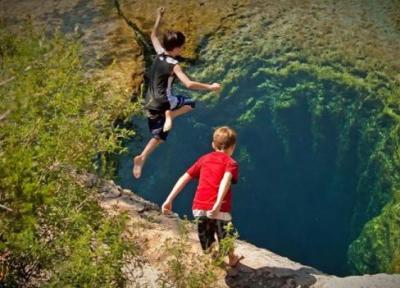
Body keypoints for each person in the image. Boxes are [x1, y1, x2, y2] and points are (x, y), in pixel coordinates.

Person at [132, 7, 221, 179]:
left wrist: (159, 17)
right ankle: (170, 115)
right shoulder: (174, 65)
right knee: (190, 104)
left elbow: (152, 36)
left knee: (158, 133)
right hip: (165, 102)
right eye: (182, 47)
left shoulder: (159, 54)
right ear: (177, 48)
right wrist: (210, 87)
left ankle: (142, 156)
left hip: (149, 102)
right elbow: (188, 84)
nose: (182, 49)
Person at [161, 126, 243, 267]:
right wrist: (217, 204)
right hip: (220, 209)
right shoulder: (232, 163)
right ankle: (232, 258)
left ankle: (213, 257)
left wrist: (169, 200)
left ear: (213, 144)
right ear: (233, 147)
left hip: (199, 207)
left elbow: (185, 177)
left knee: (205, 235)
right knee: (225, 234)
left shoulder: (204, 159)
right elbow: (226, 180)